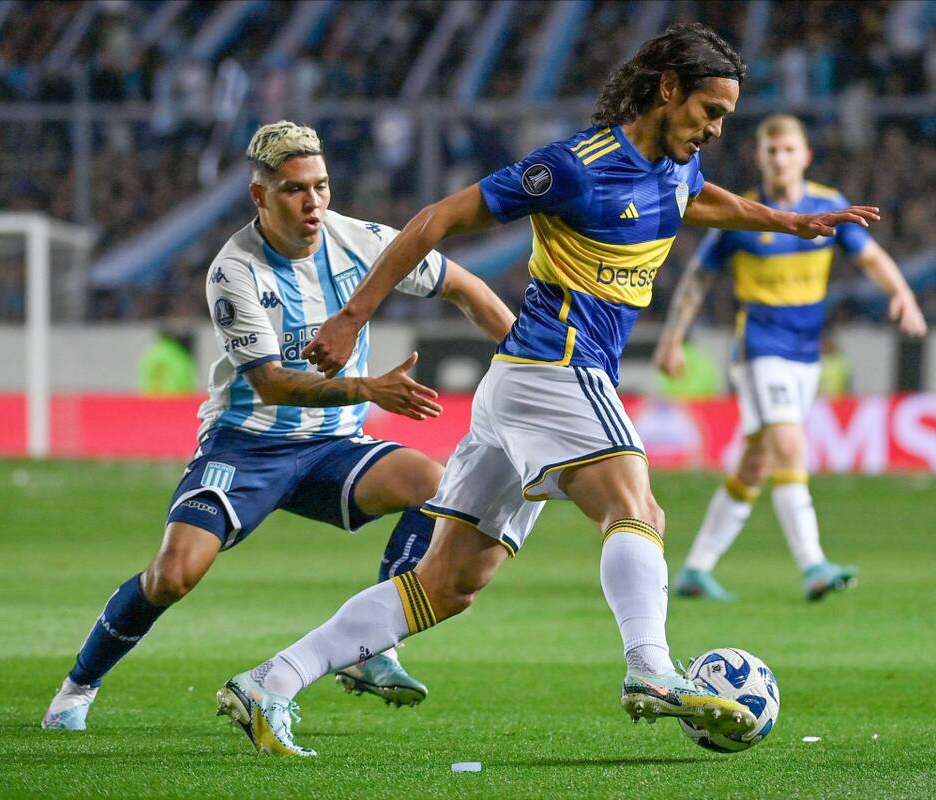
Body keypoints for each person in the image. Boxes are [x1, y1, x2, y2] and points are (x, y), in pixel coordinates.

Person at [217, 24, 880, 757]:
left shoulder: (675, 165)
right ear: (667, 92)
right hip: (556, 367)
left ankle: (269, 682)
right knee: (638, 506)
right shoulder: (575, 166)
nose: (717, 130)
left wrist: (786, 221)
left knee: (446, 584)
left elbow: (698, 199)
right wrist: (352, 316)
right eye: (709, 111)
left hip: (517, 387)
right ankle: (651, 670)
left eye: (725, 116)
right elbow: (439, 219)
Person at [41, 121, 515, 731]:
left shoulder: (366, 240)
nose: (313, 202)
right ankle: (78, 687)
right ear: (260, 197)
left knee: (434, 482)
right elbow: (271, 383)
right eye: (295, 189)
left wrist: (531, 354)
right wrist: (368, 389)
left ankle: (373, 649)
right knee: (171, 576)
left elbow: (466, 287)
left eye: (321, 186)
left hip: (333, 446)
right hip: (247, 446)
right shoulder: (233, 271)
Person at [654, 114, 927, 604]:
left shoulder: (828, 206)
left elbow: (868, 256)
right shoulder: (742, 212)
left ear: (805, 156)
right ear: (760, 158)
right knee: (789, 446)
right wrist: (673, 338)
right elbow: (698, 278)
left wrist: (902, 292)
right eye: (770, 151)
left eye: (788, 150)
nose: (779, 159)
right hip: (760, 348)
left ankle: (695, 569)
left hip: (806, 353)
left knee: (756, 463)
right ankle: (813, 565)